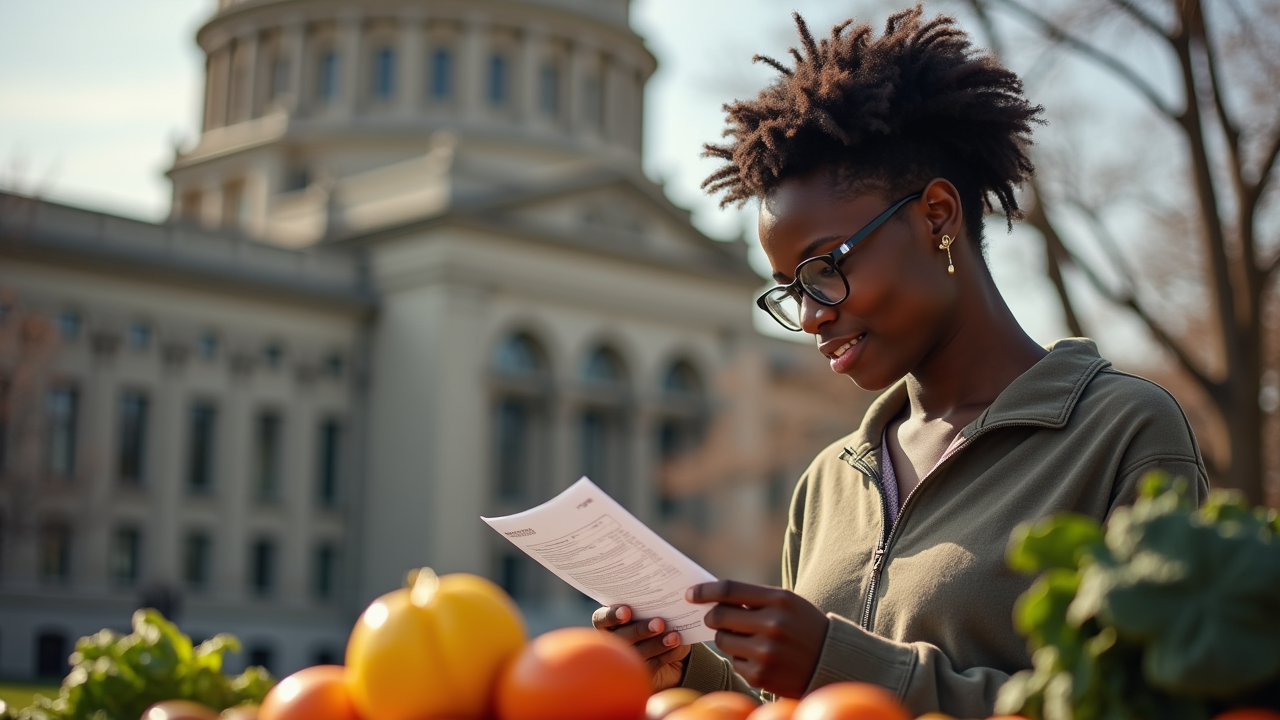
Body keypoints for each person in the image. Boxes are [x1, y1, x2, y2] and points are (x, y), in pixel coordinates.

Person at [592, 6, 1209, 717]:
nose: (810, 315)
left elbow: (1151, 705)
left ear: (937, 217)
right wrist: (689, 671)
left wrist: (843, 663)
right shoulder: (829, 480)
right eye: (790, 290)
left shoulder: (1122, 431)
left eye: (824, 269)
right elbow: (792, 704)